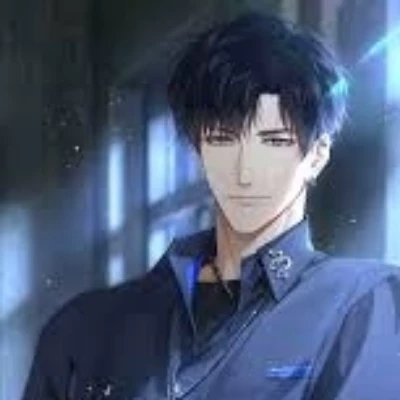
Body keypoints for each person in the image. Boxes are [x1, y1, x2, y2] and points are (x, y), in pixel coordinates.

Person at [22, 12, 400, 400]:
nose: (245, 171)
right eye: (222, 139)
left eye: (274, 142)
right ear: (198, 149)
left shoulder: (362, 302)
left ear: (317, 154)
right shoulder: (84, 326)